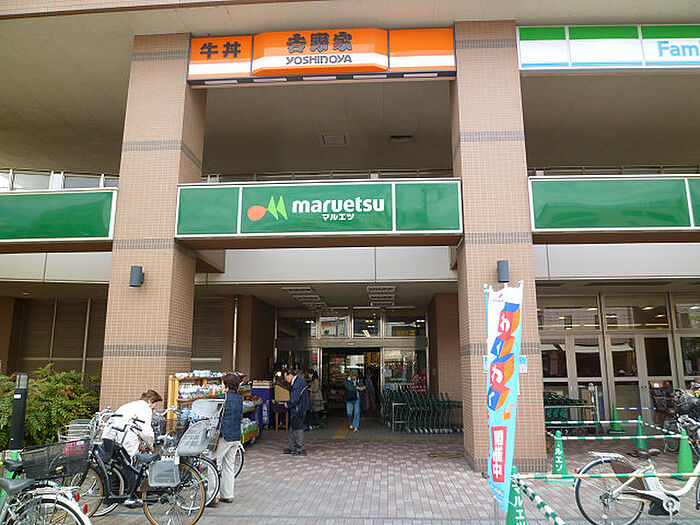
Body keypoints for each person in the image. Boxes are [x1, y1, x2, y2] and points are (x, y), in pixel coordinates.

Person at [211, 373, 243, 504]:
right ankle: (228, 494)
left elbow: (215, 415)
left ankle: (213, 495)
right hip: (236, 436)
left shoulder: (222, 398)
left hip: (224, 436)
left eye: (222, 384)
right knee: (229, 466)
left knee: (213, 463)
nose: (221, 387)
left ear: (227, 386)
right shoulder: (239, 398)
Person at [102, 389, 162, 458]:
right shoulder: (145, 408)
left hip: (109, 435)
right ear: (150, 401)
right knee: (128, 462)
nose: (154, 407)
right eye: (155, 404)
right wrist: (150, 445)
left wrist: (139, 443)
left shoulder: (129, 405)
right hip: (123, 439)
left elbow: (131, 424)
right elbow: (145, 431)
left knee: (110, 461)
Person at [283, 369, 309, 456]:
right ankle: (292, 447)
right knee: (293, 427)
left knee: (298, 428)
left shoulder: (298, 384)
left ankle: (301, 448)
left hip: (298, 409)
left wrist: (288, 404)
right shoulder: (299, 382)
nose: (286, 379)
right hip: (300, 408)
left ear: (290, 375)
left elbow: (295, 399)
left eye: (286, 377)